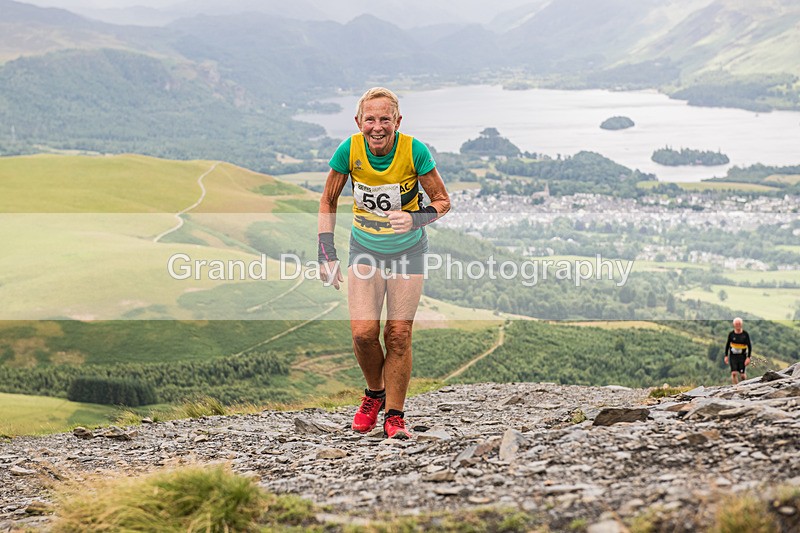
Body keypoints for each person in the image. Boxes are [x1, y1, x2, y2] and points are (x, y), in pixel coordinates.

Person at [317, 87, 450, 439]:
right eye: (370, 119)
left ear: (398, 121)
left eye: (385, 119)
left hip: (408, 251)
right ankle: (374, 392)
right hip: (365, 248)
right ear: (359, 121)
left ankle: (395, 414)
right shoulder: (349, 149)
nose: (377, 127)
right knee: (363, 334)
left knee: (398, 334)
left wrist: (416, 218)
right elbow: (328, 201)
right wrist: (326, 253)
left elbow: (442, 201)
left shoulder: (414, 151)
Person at [724, 317, 752, 385]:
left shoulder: (745, 334)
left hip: (742, 357)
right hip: (733, 356)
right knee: (734, 373)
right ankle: (736, 387)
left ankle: (745, 385)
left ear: (741, 324)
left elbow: (749, 346)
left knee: (742, 375)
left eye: (739, 324)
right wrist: (726, 356)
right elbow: (727, 345)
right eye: (736, 324)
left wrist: (748, 357)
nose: (738, 325)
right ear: (734, 325)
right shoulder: (731, 334)